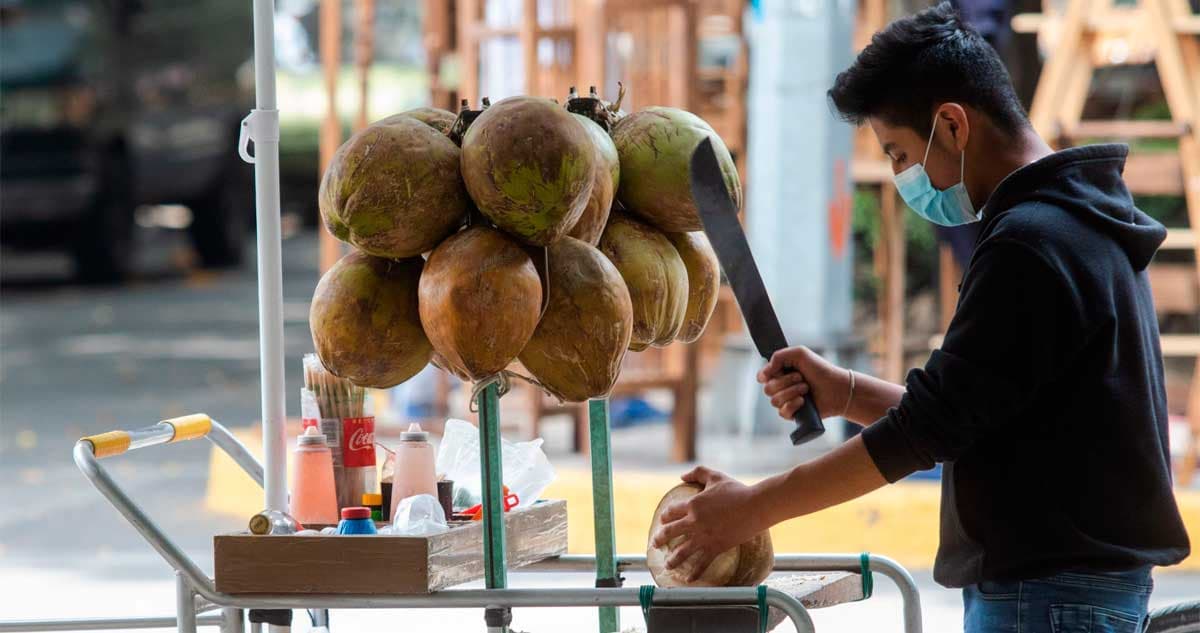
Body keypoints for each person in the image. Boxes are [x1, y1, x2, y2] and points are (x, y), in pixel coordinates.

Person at [651, 4, 1190, 631]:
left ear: (953, 126)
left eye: (900, 153)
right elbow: (974, 415)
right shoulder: (1079, 219)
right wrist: (843, 391)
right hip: (1073, 591)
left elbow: (923, 433)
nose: (903, 176)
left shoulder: (1030, 245)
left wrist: (748, 510)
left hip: (1045, 599)